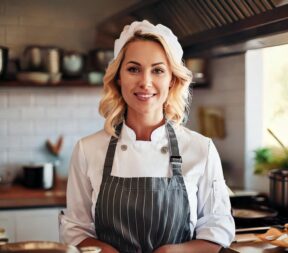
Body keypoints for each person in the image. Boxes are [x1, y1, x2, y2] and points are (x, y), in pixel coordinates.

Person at [60, 20, 235, 253]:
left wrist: (174, 252)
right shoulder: (87, 149)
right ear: (118, 77)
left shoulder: (201, 148)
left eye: (158, 70)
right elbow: (75, 229)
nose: (145, 82)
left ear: (172, 79)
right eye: (133, 69)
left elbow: (218, 227)